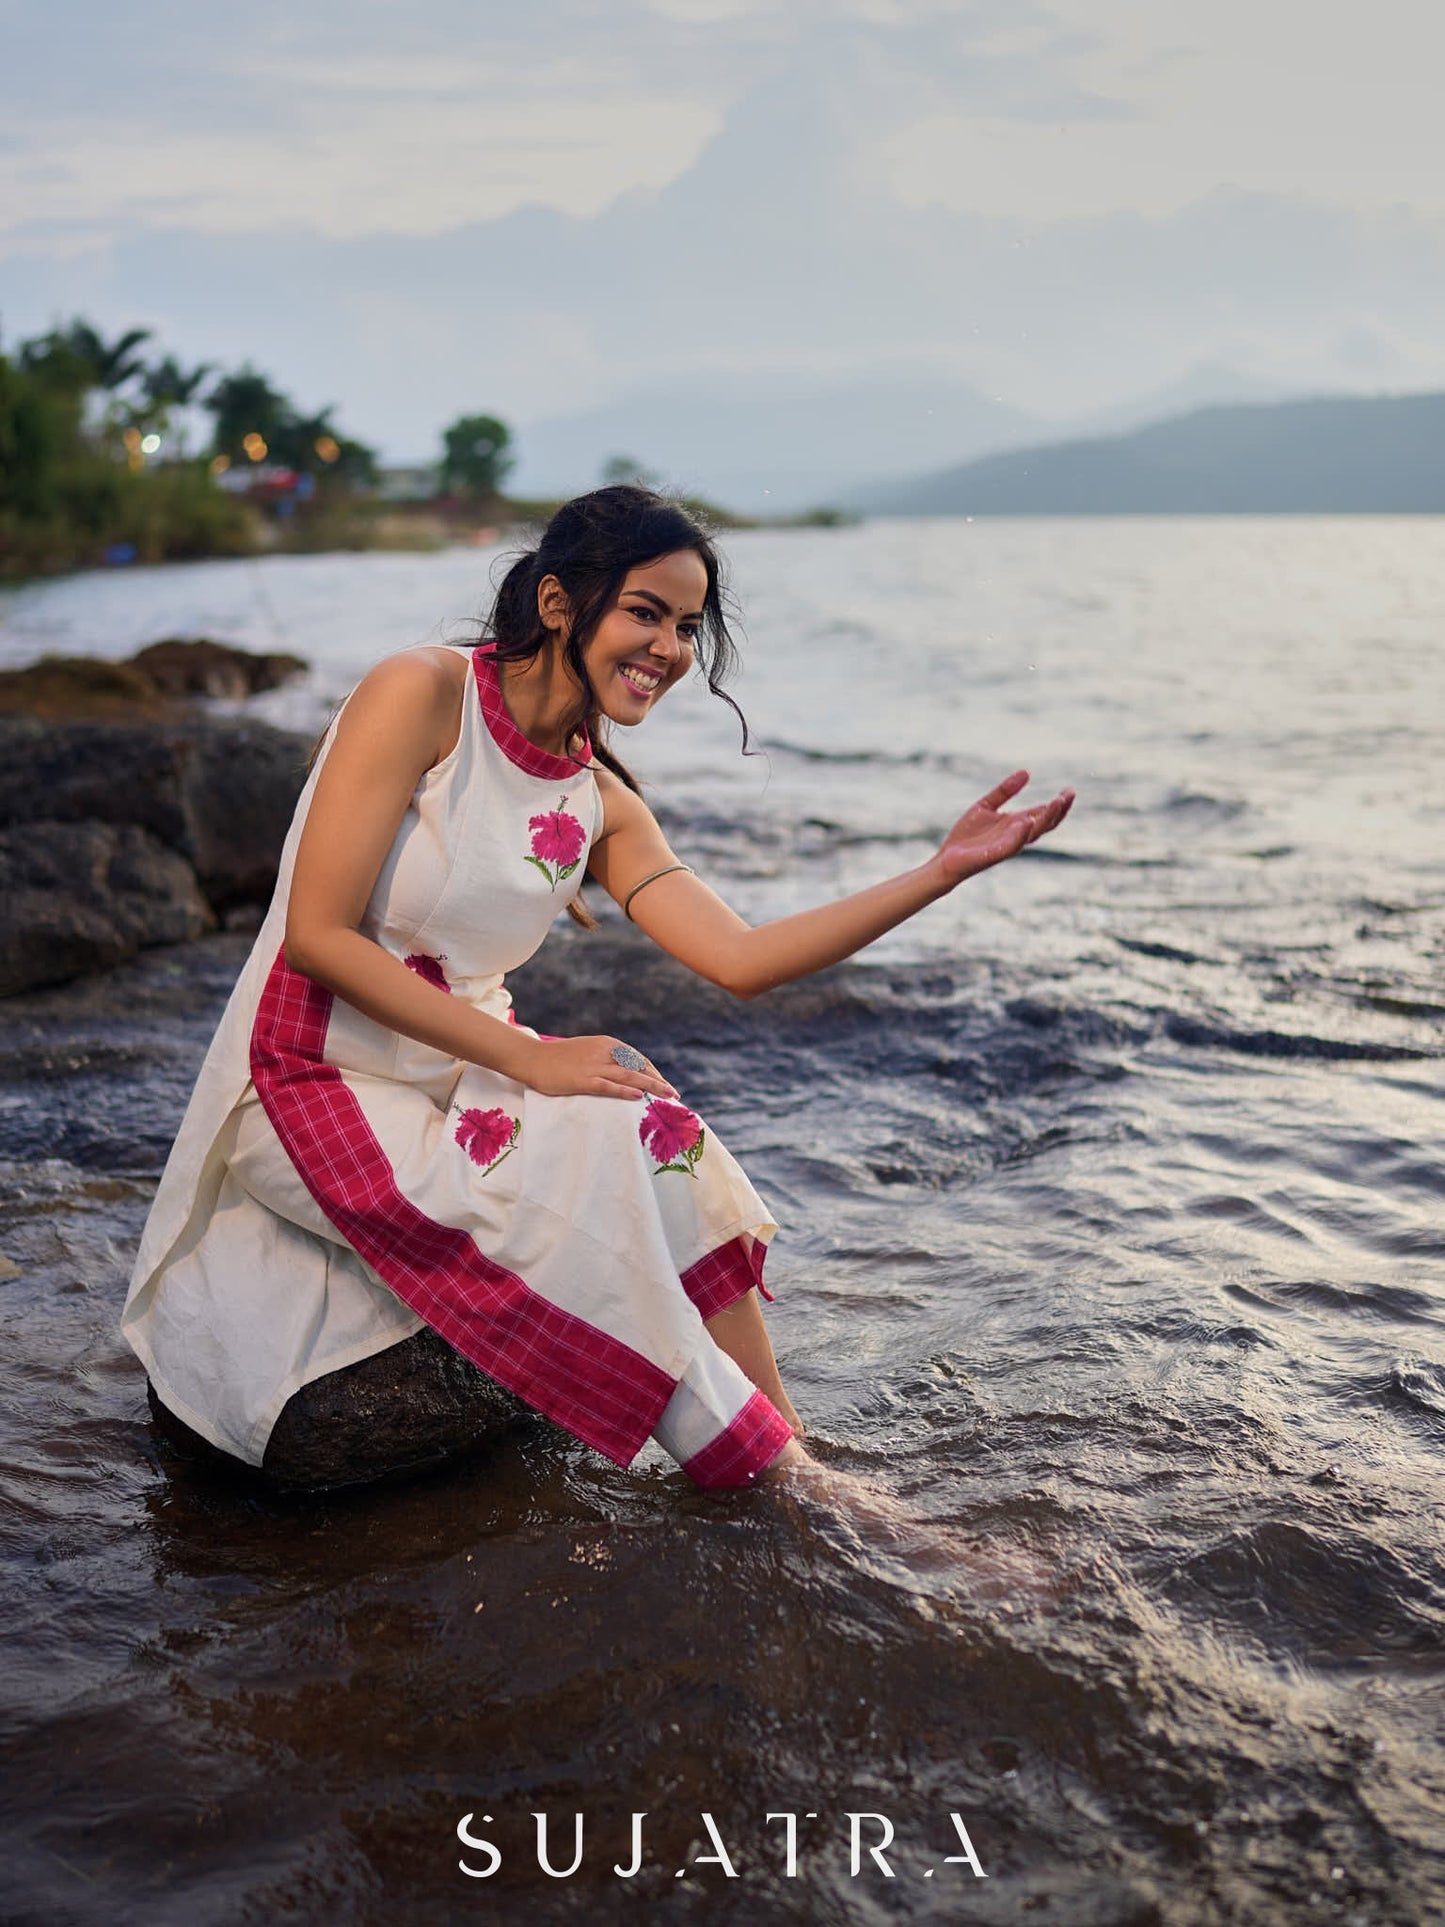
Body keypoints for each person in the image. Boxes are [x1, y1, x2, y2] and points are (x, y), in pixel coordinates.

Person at [121, 486, 1073, 1493]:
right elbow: (315, 936)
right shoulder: (421, 694)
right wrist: (534, 1060)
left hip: (458, 1083)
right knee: (593, 1254)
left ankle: (792, 1453)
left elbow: (742, 960)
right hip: (311, 1078)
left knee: (656, 1128)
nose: (668, 649)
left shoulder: (598, 801)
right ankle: (809, 1496)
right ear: (559, 602)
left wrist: (935, 873)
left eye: (688, 627)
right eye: (646, 612)